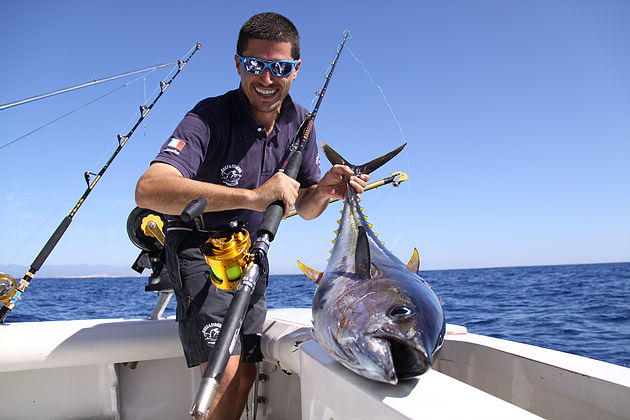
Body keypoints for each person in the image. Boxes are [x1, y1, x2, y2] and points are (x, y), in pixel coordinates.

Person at [135, 12, 368, 420]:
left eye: (278, 67)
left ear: (295, 70)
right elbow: (150, 188)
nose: (266, 79)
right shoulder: (208, 117)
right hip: (198, 248)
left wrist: (326, 190)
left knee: (245, 372)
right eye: (255, 65)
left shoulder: (302, 122)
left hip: (253, 252)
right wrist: (254, 196)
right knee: (222, 371)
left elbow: (306, 207)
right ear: (238, 63)